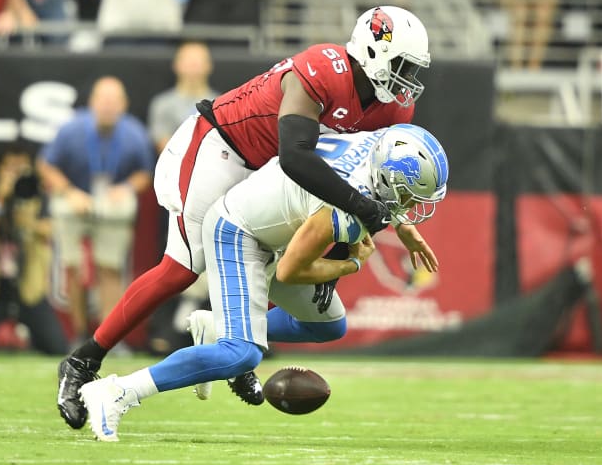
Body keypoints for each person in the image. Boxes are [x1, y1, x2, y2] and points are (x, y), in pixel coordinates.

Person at [56, 5, 439, 430]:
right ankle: (83, 360)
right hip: (222, 147)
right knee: (183, 266)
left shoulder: (392, 110)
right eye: (403, 65)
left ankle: (230, 337)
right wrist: (366, 210)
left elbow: (376, 174)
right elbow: (297, 156)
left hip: (269, 174)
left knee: (290, 259)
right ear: (373, 50)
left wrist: (401, 225)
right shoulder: (323, 68)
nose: (408, 81)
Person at [79, 124, 449, 441]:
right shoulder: (345, 209)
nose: (408, 204)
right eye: (405, 194)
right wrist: (351, 265)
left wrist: (403, 226)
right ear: (387, 179)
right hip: (237, 233)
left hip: (269, 232)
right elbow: (290, 271)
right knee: (241, 353)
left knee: (328, 323)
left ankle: (215, 326)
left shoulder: (376, 141)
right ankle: (117, 391)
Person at [37, 77, 155, 339]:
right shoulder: (71, 129)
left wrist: (125, 188)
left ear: (124, 105)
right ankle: (79, 333)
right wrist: (69, 192)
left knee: (110, 266)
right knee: (74, 264)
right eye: (103, 100)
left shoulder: (134, 134)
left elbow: (145, 173)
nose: (108, 107)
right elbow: (46, 165)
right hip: (76, 198)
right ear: (92, 102)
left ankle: (108, 337)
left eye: (114, 101)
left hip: (111, 202)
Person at [0, 145, 67, 356]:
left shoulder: (37, 193)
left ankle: (33, 338)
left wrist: (25, 219)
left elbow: (48, 231)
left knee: (57, 348)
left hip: (28, 286)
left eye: (21, 167)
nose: (16, 173)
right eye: (11, 168)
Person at [148, 42, 217, 153]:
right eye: (188, 61)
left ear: (209, 66)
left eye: (198, 61)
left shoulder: (220, 104)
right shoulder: (162, 104)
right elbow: (163, 145)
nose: (193, 66)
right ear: (176, 65)